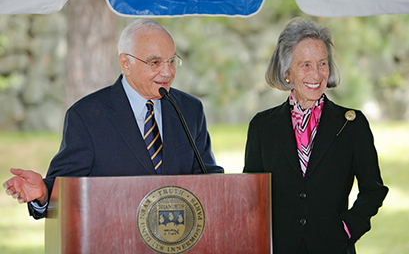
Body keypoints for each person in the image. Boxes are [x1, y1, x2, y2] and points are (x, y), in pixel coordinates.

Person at [3, 18, 224, 219]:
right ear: (126, 63)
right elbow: (66, 185)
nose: (167, 72)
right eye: (155, 63)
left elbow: (208, 177)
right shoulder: (86, 115)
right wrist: (43, 193)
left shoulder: (190, 109)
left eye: (172, 61)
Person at [243, 17, 388, 254]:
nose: (316, 74)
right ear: (287, 71)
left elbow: (374, 190)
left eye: (322, 64)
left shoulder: (352, 124)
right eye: (306, 65)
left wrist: (348, 229)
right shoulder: (262, 126)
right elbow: (252, 195)